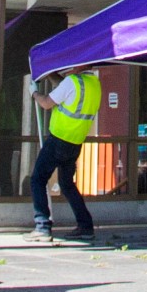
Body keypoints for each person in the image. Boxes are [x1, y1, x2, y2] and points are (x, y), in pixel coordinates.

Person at [25, 64, 102, 242]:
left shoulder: (71, 82)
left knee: (38, 179)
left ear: (79, 66)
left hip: (58, 139)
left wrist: (34, 93)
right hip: (75, 142)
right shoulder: (93, 83)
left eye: (71, 65)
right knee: (67, 184)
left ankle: (42, 227)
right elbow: (66, 87)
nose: (67, 67)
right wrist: (51, 73)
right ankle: (85, 226)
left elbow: (46, 103)